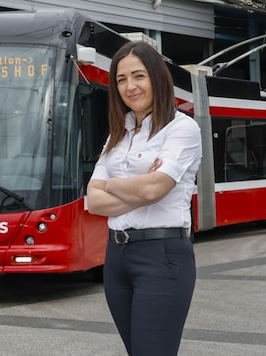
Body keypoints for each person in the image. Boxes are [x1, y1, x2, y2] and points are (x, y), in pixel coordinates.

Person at [86, 41, 202, 355]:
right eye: (121, 79)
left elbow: (154, 189)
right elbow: (92, 201)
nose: (130, 86)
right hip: (116, 257)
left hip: (161, 255)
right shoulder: (117, 135)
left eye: (138, 76)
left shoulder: (182, 129)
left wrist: (113, 185)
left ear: (157, 77)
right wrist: (138, 187)